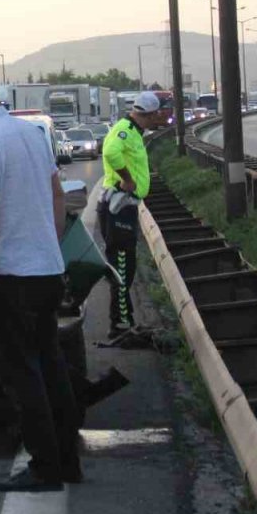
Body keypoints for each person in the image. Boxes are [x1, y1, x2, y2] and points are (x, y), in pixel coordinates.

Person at [0, 76, 80, 492]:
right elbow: (57, 195)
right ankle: (67, 461)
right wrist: (49, 242)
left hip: (10, 274)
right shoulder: (30, 133)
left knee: (19, 373)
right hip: (46, 267)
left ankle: (44, 468)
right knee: (50, 365)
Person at [99, 92, 163, 340]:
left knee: (127, 266)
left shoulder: (134, 132)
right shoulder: (124, 130)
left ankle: (126, 321)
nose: (157, 119)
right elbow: (110, 153)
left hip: (125, 207)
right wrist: (127, 179)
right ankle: (121, 326)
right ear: (148, 114)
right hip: (119, 207)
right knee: (122, 268)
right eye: (155, 115)